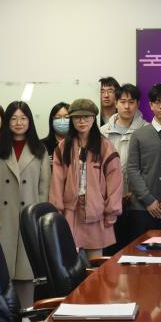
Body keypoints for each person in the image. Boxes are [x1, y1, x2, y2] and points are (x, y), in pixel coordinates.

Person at [0, 101, 51, 307]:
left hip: (29, 218)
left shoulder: (39, 149)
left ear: (30, 121)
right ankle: (4, 316)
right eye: (13, 118)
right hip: (1, 217)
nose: (18, 123)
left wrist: (39, 217)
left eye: (23, 118)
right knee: (1, 269)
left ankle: (27, 314)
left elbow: (44, 186)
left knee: (27, 271)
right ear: (6, 122)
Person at [50, 99, 123, 258]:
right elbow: (57, 181)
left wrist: (111, 211)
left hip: (96, 212)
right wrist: (57, 209)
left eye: (86, 117)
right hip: (70, 212)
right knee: (70, 261)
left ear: (93, 118)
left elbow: (115, 181)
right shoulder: (63, 147)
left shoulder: (105, 146)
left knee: (96, 263)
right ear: (72, 120)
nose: (82, 121)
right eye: (77, 117)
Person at [128, 84, 161, 239]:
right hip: (142, 208)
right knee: (142, 250)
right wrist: (148, 200)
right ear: (151, 105)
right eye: (157, 102)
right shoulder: (138, 134)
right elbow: (132, 169)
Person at [100, 83, 147, 249]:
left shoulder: (147, 130)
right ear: (116, 103)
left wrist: (136, 192)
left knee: (136, 249)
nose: (127, 106)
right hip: (108, 202)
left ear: (138, 104)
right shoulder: (102, 132)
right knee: (112, 250)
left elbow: (149, 168)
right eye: (123, 102)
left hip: (138, 203)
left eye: (131, 102)